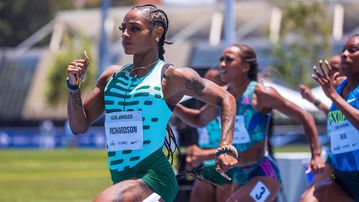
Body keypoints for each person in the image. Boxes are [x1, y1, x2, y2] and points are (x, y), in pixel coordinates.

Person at [66, 4, 238, 202]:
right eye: (123, 28)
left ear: (157, 32)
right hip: (121, 177)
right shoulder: (110, 77)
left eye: (135, 28)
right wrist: (73, 87)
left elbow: (226, 98)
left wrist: (226, 146)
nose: (125, 34)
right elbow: (78, 126)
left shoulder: (171, 77)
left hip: (155, 177)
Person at [174, 43, 325, 201]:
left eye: (229, 60)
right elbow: (198, 119)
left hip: (265, 173)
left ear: (245, 66)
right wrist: (171, 104)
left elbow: (304, 116)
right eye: (221, 59)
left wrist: (316, 154)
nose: (222, 64)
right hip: (239, 175)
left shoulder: (260, 94)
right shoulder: (222, 96)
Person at [300, 34, 359, 202]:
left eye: (352, 50)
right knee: (308, 199)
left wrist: (333, 97)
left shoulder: (335, 94)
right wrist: (317, 154)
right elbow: (337, 119)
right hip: (339, 172)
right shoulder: (339, 88)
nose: (345, 54)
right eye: (343, 51)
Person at [184, 68, 232, 202]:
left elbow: (238, 148)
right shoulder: (205, 111)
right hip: (208, 168)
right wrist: (193, 154)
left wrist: (204, 154)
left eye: (212, 81)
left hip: (228, 169)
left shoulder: (229, 109)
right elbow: (200, 142)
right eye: (205, 80)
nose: (206, 85)